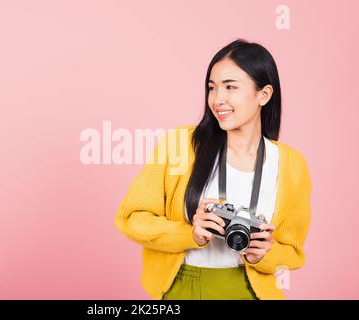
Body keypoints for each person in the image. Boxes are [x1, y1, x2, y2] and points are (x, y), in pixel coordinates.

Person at [114, 38, 311, 300]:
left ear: (263, 95)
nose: (218, 99)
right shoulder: (181, 144)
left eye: (230, 87)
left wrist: (263, 253)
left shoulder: (291, 164)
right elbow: (132, 218)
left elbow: (293, 251)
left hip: (251, 291)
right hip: (184, 288)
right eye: (212, 88)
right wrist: (189, 234)